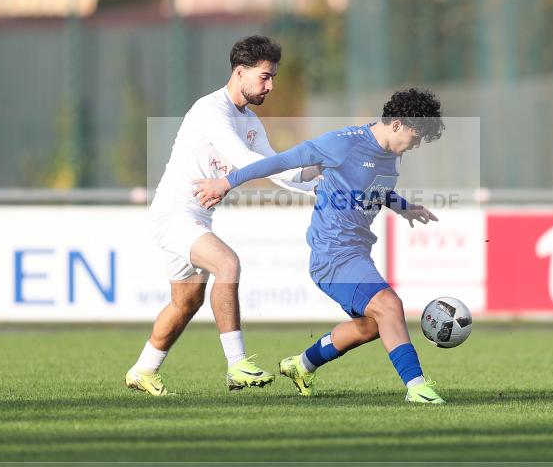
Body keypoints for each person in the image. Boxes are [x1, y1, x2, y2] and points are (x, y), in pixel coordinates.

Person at [194, 88, 448, 404]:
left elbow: (373, 187)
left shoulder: (391, 158)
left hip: (356, 253)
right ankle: (417, 387)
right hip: (332, 255)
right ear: (397, 124)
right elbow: (279, 162)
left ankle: (302, 365)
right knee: (390, 306)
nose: (417, 144)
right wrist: (227, 182)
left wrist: (403, 205)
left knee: (372, 325)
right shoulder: (341, 143)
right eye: (417, 135)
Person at [126, 35, 320, 396]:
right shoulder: (210, 110)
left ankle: (143, 369)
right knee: (227, 264)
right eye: (264, 77)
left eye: (273, 77)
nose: (271, 85)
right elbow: (247, 162)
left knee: (186, 303)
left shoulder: (250, 121)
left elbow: (276, 169)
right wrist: (291, 168)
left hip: (197, 218)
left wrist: (316, 180)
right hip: (174, 214)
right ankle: (237, 366)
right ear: (240, 72)